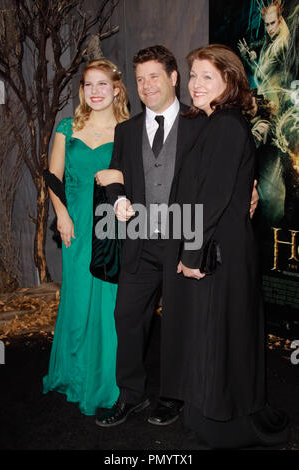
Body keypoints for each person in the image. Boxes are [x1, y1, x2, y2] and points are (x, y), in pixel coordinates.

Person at [95, 45, 259, 428]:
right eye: (139, 79)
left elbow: (229, 170)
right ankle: (131, 396)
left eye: (154, 76)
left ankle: (173, 397)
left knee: (181, 321)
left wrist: (253, 190)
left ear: (173, 78)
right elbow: (116, 173)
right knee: (127, 317)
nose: (147, 85)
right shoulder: (126, 130)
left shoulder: (203, 120)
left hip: (184, 237)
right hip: (139, 238)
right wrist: (117, 197)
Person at [160, 44, 289, 449]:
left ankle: (221, 424)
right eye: (193, 75)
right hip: (220, 248)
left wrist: (192, 256)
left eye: (206, 77)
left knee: (214, 334)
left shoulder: (226, 126)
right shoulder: (217, 123)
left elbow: (211, 199)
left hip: (217, 254)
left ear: (230, 82)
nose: (195, 85)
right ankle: (208, 416)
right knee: (210, 334)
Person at [43, 59, 129, 415]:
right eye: (88, 85)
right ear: (82, 90)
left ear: (116, 90)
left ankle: (104, 381)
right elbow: (53, 175)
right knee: (77, 300)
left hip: (109, 222)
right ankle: (73, 375)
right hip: (74, 223)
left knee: (108, 303)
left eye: (102, 85)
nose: (95, 91)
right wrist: (61, 215)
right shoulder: (67, 126)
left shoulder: (128, 129)